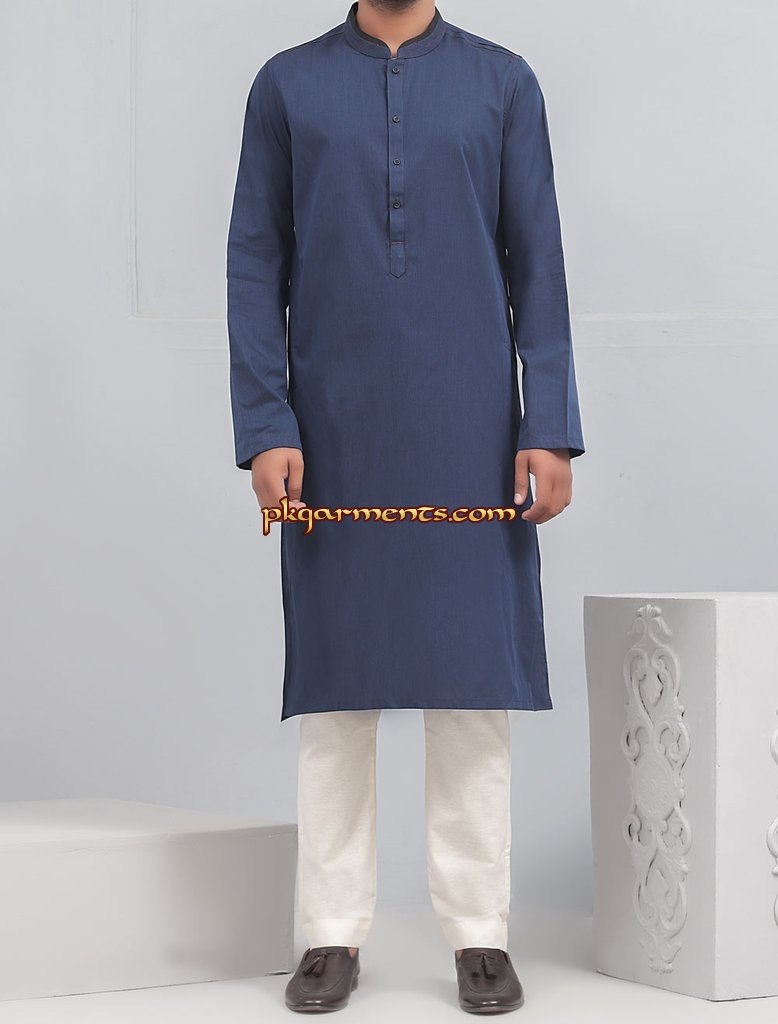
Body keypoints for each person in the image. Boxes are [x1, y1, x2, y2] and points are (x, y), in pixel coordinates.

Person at [226, 0, 585, 1014]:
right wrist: (265, 421)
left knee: (470, 682)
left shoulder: (501, 82)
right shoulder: (288, 84)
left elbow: (538, 259)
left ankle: (479, 933)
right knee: (337, 685)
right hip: (332, 424)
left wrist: (548, 424)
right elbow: (254, 260)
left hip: (470, 423)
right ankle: (330, 933)